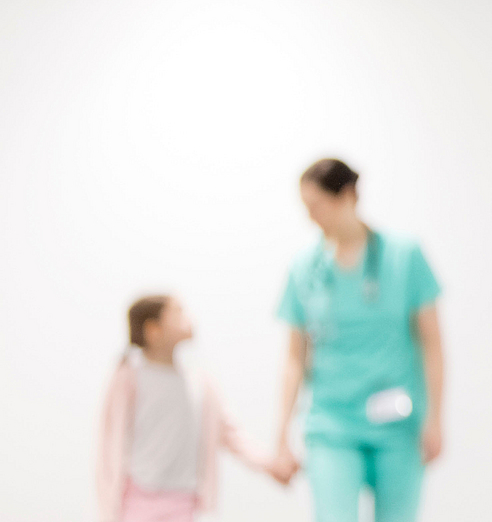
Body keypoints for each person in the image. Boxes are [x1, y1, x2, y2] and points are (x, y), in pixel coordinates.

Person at [269, 159, 447, 522]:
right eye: (306, 208)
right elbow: (294, 358)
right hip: (332, 423)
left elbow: (432, 344)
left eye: (317, 206)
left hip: (397, 422)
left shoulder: (404, 256)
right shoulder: (305, 268)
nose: (311, 217)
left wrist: (435, 418)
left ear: (348, 196)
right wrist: (281, 434)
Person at [97, 294, 291, 522]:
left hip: (183, 499)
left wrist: (270, 464)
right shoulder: (128, 377)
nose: (189, 319)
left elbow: (230, 433)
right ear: (153, 329)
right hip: (138, 498)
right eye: (178, 312)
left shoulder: (200, 382)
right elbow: (109, 444)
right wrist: (109, 508)